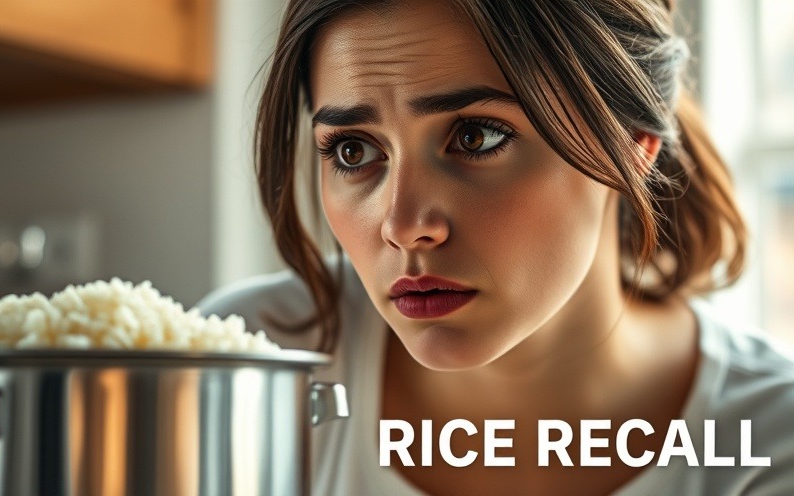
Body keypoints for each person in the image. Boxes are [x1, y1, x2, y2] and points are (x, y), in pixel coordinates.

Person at [199, 0, 794, 494]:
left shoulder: (770, 444)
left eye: (475, 136)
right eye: (353, 150)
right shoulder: (240, 361)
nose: (403, 225)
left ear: (632, 147)